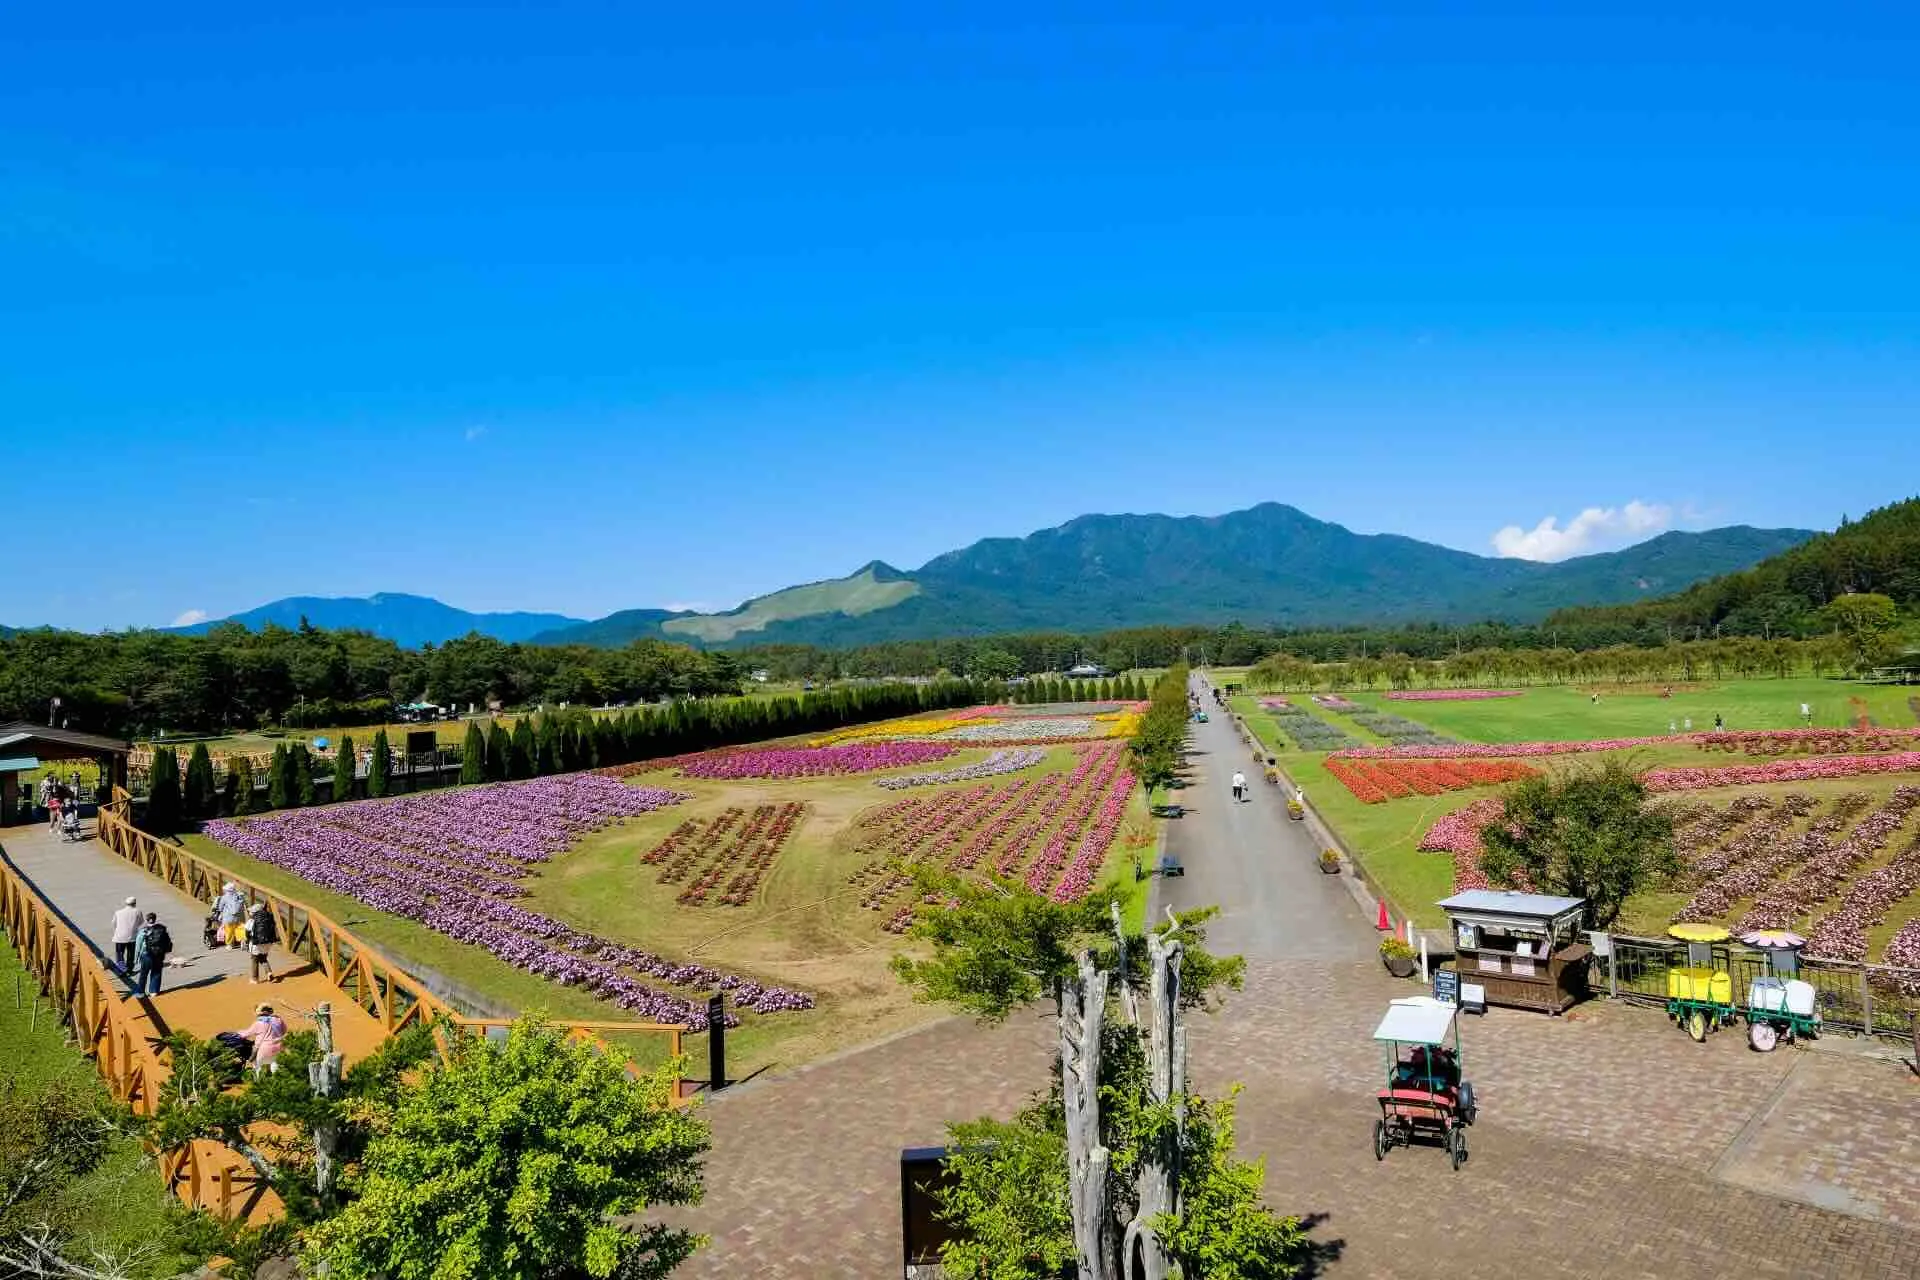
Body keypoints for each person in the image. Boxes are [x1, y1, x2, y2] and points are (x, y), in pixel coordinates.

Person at [236, 1004, 288, 1078]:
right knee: (274, 1064)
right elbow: (284, 1032)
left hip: (264, 1050)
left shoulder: (258, 1023)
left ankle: (259, 1082)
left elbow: (246, 1034)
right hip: (278, 1048)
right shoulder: (279, 1020)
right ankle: (275, 1080)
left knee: (257, 1065)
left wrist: (238, 1032)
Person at [133, 912, 172, 996]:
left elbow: (138, 946)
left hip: (146, 954)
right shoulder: (162, 929)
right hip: (159, 955)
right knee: (156, 972)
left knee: (143, 974)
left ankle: (140, 992)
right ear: (155, 919)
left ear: (147, 920)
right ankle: (154, 991)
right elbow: (167, 941)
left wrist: (136, 958)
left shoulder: (143, 931)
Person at [245, 900, 279, 983]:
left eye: (251, 912)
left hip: (256, 943)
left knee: (254, 959)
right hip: (268, 943)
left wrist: (248, 941)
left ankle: (254, 978)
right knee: (263, 958)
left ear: (255, 913)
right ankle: (269, 973)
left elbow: (247, 933)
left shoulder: (251, 921)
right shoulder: (268, 918)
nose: (250, 913)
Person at [110, 896, 142, 974]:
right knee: (131, 954)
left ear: (126, 904)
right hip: (132, 937)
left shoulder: (118, 912)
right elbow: (141, 922)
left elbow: (113, 923)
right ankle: (130, 970)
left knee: (120, 954)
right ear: (134, 903)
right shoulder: (137, 911)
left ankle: (121, 971)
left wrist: (118, 931)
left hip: (119, 937)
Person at [215, 882, 247, 948]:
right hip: (239, 917)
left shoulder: (224, 897)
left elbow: (220, 907)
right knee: (240, 929)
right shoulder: (239, 896)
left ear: (227, 890)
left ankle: (229, 944)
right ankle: (242, 941)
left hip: (228, 917)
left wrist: (220, 912)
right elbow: (245, 904)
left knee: (229, 931)